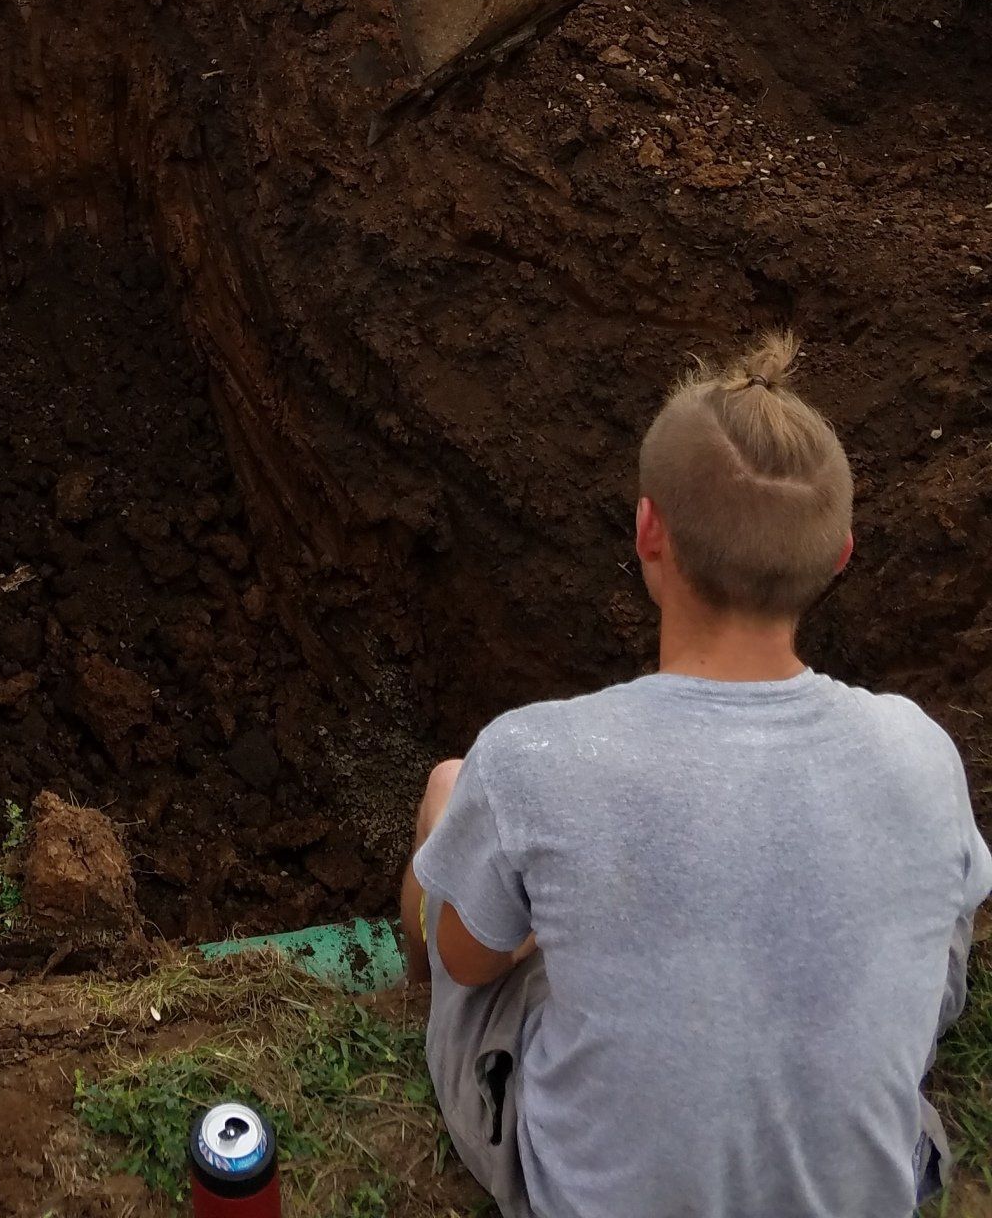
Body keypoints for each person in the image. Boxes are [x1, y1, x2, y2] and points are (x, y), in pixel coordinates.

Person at [401, 332, 990, 1218]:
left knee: (451, 800)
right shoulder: (921, 750)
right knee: (943, 910)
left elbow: (469, 961)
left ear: (648, 532)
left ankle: (430, 993)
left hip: (592, 1193)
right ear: (838, 557)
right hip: (868, 1193)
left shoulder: (534, 756)